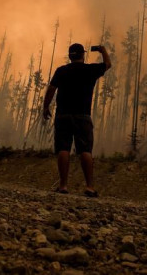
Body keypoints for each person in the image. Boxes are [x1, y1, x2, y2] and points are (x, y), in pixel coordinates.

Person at [42, 42, 111, 197]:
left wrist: (46, 107)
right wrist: (102, 50)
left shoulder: (62, 71)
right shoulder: (90, 70)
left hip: (63, 115)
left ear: (69, 56)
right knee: (85, 150)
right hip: (83, 116)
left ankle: (63, 186)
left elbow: (51, 89)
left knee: (63, 149)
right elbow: (107, 64)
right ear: (83, 55)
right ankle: (89, 187)